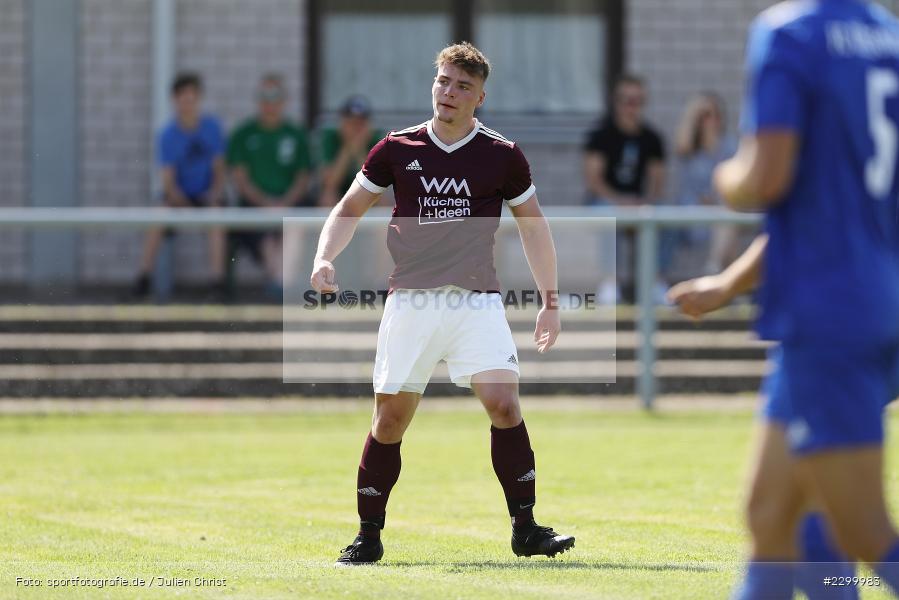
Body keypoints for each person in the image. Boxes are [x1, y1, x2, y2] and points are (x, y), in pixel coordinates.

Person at [309, 42, 575, 565]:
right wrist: (323, 257)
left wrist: (549, 300)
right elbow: (350, 206)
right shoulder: (396, 147)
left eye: (462, 87)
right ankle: (368, 535)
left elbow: (534, 228)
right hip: (412, 302)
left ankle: (526, 529)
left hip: (476, 301)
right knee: (390, 422)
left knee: (505, 405)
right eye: (443, 82)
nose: (449, 93)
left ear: (480, 98)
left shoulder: (502, 154)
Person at [680, 1, 899, 597]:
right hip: (870, 304)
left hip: (829, 315)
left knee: (860, 532)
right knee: (775, 515)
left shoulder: (790, 33)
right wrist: (727, 286)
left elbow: (766, 179)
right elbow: (824, 207)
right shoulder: (888, 38)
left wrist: (725, 174)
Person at [132, 72, 226, 299]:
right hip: (178, 197)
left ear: (199, 99)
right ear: (175, 100)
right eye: (183, 98)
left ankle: (217, 283)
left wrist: (213, 194)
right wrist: (180, 201)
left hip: (206, 196)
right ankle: (143, 279)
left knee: (217, 216)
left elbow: (220, 171)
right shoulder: (168, 135)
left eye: (192, 98)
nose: (188, 104)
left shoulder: (212, 128)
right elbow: (168, 180)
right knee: (158, 215)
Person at [227, 74, 313, 297]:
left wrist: (284, 203)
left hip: (291, 203)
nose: (269, 102)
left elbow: (303, 178)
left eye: (274, 96)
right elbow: (240, 180)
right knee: (264, 233)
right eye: (264, 96)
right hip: (254, 205)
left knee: (295, 224)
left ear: (284, 100)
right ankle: (282, 285)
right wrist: (266, 204)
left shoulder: (295, 135)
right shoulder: (243, 134)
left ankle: (280, 284)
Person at [583, 75, 666, 304]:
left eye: (637, 101)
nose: (631, 106)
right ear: (616, 102)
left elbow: (658, 182)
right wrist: (620, 201)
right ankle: (611, 282)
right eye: (626, 100)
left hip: (639, 202)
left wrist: (645, 200)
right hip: (606, 201)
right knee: (607, 216)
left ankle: (654, 282)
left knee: (664, 215)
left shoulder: (652, 138)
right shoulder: (600, 135)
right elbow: (594, 180)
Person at [671, 92, 739, 276]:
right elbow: (688, 187)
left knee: (727, 218)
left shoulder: (729, 145)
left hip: (720, 210)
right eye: (704, 116)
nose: (711, 121)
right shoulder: (689, 147)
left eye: (714, 115)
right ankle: (724, 282)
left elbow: (730, 182)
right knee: (726, 221)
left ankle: (714, 270)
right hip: (692, 212)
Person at [318, 95, 384, 207]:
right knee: (328, 195)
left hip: (366, 194)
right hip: (339, 192)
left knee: (383, 201)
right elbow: (330, 183)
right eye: (351, 123)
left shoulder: (376, 140)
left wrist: (359, 150)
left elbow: (375, 183)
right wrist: (347, 149)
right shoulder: (330, 137)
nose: (356, 128)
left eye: (360, 123)